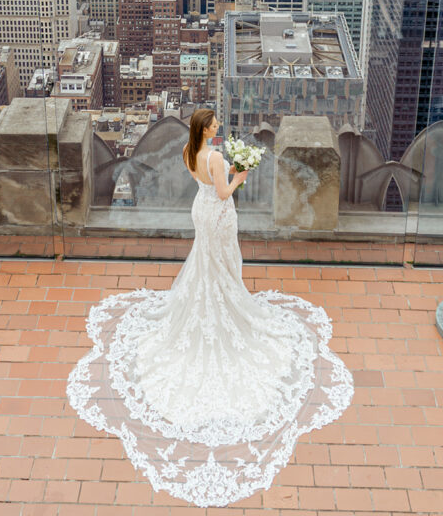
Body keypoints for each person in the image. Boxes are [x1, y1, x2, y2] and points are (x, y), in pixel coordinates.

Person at [67, 108, 353, 508]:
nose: (218, 126)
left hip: (199, 213)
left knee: (207, 264)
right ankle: (226, 311)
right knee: (221, 264)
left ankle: (209, 303)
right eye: (214, 123)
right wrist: (240, 176)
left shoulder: (189, 152)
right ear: (205, 128)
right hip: (217, 213)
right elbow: (222, 193)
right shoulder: (215, 157)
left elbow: (205, 188)